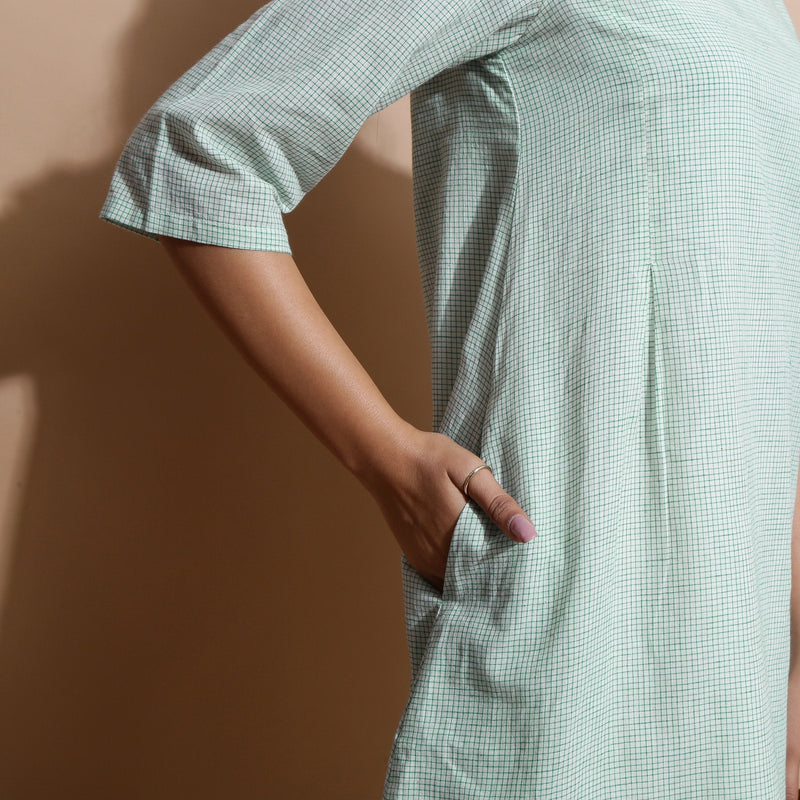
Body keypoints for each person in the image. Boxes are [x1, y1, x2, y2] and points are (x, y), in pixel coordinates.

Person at [98, 0, 800, 795]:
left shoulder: (769, 14)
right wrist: (384, 458)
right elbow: (200, 152)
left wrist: (789, 670)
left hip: (732, 668)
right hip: (568, 609)